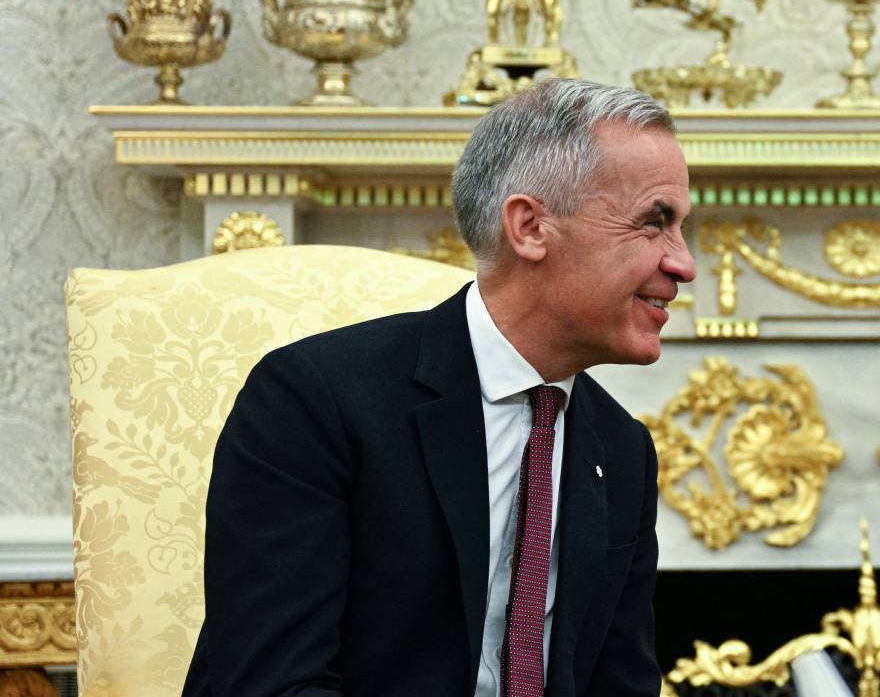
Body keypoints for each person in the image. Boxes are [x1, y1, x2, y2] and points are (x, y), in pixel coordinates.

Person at [182, 79, 695, 697]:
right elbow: (272, 686)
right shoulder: (313, 401)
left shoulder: (621, 450)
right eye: (653, 223)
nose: (683, 264)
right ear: (530, 228)